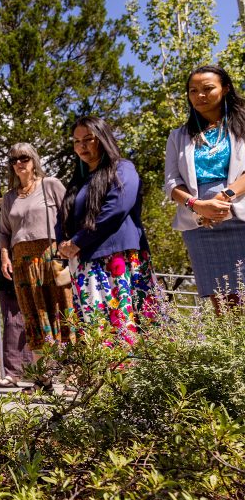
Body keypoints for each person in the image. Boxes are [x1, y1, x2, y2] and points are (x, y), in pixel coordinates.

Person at [57, 116, 157, 343]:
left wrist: (77, 241)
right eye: (76, 141)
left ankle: (129, 376)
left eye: (88, 139)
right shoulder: (78, 181)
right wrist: (62, 242)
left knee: (124, 323)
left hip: (117, 260)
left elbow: (115, 209)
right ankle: (104, 377)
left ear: (102, 139)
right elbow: (63, 216)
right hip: (86, 264)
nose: (81, 146)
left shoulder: (123, 169)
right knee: (96, 328)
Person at [164, 65, 245, 311]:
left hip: (241, 215)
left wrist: (225, 197)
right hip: (200, 224)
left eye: (208, 88)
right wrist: (199, 206)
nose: (200, 95)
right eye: (193, 90)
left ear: (225, 88)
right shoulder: (178, 136)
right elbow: (171, 183)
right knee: (223, 303)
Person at [0, 143, 73, 390]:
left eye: (24, 157)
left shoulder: (50, 185)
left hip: (51, 259)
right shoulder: (9, 198)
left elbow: (69, 215)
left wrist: (68, 248)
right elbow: (4, 232)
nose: (20, 162)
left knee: (63, 313)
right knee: (34, 318)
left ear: (34, 160)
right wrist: (5, 257)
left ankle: (74, 375)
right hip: (22, 264)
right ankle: (43, 379)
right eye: (14, 159)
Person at [0, 202, 31, 388]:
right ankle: (12, 373)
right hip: (7, 283)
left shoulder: (29, 223)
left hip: (31, 278)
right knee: (12, 325)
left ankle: (35, 371)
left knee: (35, 324)